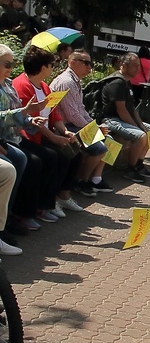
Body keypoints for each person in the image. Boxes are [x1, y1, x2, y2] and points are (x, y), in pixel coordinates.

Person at [12, 45, 85, 221]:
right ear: (44, 68)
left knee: (75, 152)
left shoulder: (45, 87)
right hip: (30, 136)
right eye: (52, 65)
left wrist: (65, 131)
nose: (53, 68)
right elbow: (32, 121)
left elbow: (53, 113)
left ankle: (62, 196)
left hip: (44, 134)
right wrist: (55, 138)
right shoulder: (22, 86)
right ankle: (43, 205)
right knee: (53, 156)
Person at [49, 49, 113, 196]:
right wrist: (94, 129)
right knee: (99, 148)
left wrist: (95, 126)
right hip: (63, 126)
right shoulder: (67, 82)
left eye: (90, 63)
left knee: (110, 141)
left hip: (73, 124)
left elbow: (81, 109)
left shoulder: (75, 81)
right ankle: (81, 181)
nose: (89, 67)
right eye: (86, 63)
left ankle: (96, 179)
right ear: (72, 62)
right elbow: (72, 115)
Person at [0, 44, 46, 233]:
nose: (10, 68)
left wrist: (31, 120)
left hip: (14, 137)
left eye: (12, 64)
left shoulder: (9, 85)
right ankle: (10, 218)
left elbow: (21, 113)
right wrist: (25, 112)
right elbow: (3, 116)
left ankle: (21, 213)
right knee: (22, 160)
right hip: (5, 138)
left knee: (41, 158)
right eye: (6, 64)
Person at [100, 52, 150, 183]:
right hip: (111, 119)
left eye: (138, 65)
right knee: (141, 136)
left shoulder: (126, 82)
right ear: (124, 65)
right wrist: (137, 128)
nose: (138, 69)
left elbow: (131, 108)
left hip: (122, 117)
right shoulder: (117, 82)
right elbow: (122, 110)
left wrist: (141, 124)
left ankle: (139, 164)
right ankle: (130, 169)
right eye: (134, 66)